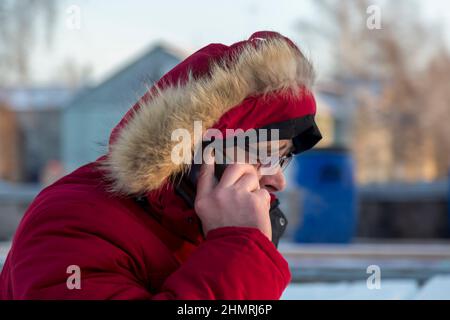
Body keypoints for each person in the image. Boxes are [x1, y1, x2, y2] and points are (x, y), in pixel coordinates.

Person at [0, 31, 321, 299]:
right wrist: (239, 251)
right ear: (199, 151)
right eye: (260, 155)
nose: (278, 180)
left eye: (280, 158)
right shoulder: (70, 224)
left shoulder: (194, 223)